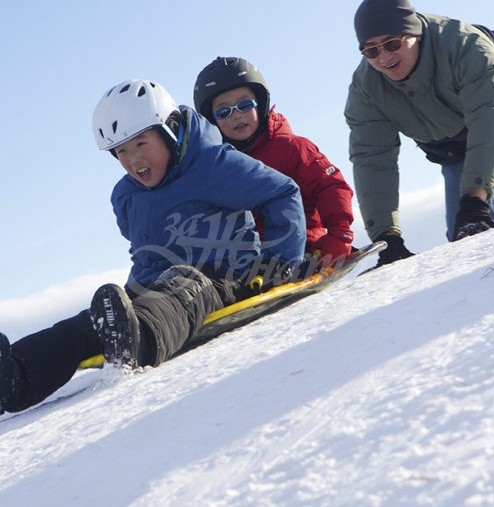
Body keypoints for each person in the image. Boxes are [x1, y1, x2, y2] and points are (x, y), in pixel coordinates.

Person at [0, 79, 306, 414]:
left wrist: (282, 261)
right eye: (121, 152)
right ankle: (17, 375)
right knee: (84, 325)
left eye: (140, 144)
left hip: (221, 277)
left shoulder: (212, 165)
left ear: (170, 130)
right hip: (150, 285)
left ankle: (140, 338)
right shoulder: (126, 195)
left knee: (182, 288)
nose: (133, 160)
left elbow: (281, 193)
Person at [345, 0, 494, 267]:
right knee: (465, 234)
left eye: (392, 44)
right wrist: (387, 237)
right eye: (371, 51)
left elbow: (490, 116)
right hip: (455, 148)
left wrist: (475, 201)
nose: (383, 57)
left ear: (414, 33)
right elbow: (371, 159)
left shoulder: (465, 46)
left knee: (474, 209)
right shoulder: (366, 90)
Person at [193, 57, 355, 267]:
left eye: (244, 105)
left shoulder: (292, 148)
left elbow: (330, 186)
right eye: (224, 111)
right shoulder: (216, 167)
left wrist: (339, 234)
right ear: (212, 121)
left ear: (260, 105)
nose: (236, 116)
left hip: (302, 249)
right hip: (245, 261)